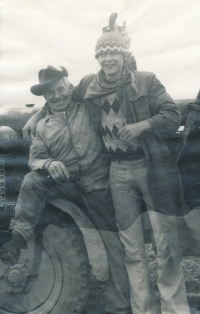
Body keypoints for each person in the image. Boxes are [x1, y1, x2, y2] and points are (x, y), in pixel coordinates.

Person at [21, 27, 190, 313]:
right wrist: (37, 115)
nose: (108, 58)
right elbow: (58, 97)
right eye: (103, 53)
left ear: (124, 55)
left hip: (151, 169)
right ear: (97, 58)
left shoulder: (146, 81)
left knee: (165, 244)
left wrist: (141, 126)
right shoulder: (88, 84)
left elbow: (172, 114)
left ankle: (174, 308)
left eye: (114, 52)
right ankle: (141, 309)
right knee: (131, 247)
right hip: (117, 174)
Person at [0, 65, 132, 314]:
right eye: (50, 93)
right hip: (66, 185)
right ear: (45, 98)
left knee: (113, 244)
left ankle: (119, 306)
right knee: (32, 180)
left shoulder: (88, 106)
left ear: (69, 87)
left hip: (98, 186)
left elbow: (105, 79)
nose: (57, 96)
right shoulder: (42, 126)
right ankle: (16, 239)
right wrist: (49, 163)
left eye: (61, 89)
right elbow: (34, 159)